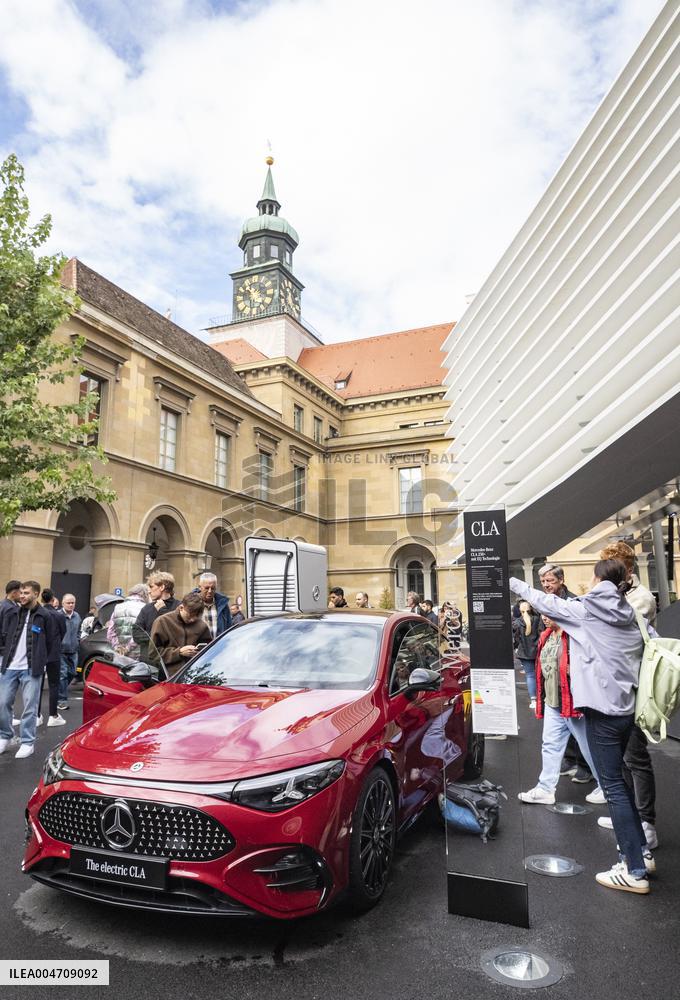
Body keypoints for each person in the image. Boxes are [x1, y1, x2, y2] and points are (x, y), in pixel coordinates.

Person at [510, 559, 654, 895]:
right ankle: (642, 854)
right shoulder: (629, 611)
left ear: (598, 579)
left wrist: (513, 583)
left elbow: (545, 601)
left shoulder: (588, 611)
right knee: (621, 784)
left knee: (614, 788)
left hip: (602, 713)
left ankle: (632, 869)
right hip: (626, 709)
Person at [597, 541, 658, 849]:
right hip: (615, 687)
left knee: (636, 757)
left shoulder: (641, 598)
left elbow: (619, 628)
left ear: (627, 570)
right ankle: (629, 814)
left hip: (635, 687)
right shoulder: (618, 594)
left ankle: (647, 822)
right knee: (621, 757)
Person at [517, 613, 605, 806]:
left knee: (589, 747)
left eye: (549, 614)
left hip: (573, 702)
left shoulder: (574, 636)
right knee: (550, 745)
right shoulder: (547, 636)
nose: (544, 617)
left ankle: (608, 787)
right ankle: (546, 789)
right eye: (542, 614)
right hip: (553, 701)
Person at [539, 562, 592, 783]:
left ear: (561, 580)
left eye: (549, 580)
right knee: (556, 731)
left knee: (581, 729)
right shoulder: (543, 601)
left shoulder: (572, 601)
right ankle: (567, 762)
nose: (546, 585)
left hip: (572, 669)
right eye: (542, 582)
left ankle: (588, 769)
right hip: (554, 668)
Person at [0, 581, 60, 758]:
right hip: (9, 666)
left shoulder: (45, 616)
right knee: (3, 703)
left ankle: (28, 742)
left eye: (26, 593)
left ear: (36, 594)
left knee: (30, 707)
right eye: (21, 593)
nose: (22, 596)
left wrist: (43, 662)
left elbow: (52, 641)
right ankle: (5, 735)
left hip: (31, 668)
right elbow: (4, 635)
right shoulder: (12, 613)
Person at [150, 592, 211, 668]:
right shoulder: (162, 622)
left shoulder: (202, 626)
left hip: (195, 673)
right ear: (181, 608)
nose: (192, 620)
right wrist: (179, 652)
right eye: (189, 616)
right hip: (169, 676)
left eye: (196, 616)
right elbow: (153, 654)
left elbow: (209, 651)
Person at [513, 600, 541, 709]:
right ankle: (543, 697)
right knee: (541, 675)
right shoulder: (538, 620)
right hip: (538, 650)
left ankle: (533, 699)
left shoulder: (516, 623)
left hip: (524, 652)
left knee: (530, 675)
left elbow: (516, 638)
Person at [107, 583, 149, 657]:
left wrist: (117, 647)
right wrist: (127, 648)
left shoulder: (118, 607)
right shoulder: (145, 608)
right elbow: (141, 633)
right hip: (138, 653)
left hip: (120, 654)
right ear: (145, 594)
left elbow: (110, 632)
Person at [194, 572, 232, 638]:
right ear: (200, 587)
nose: (209, 591)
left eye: (213, 588)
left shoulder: (223, 605)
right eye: (206, 588)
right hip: (198, 647)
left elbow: (229, 627)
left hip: (219, 646)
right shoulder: (191, 604)